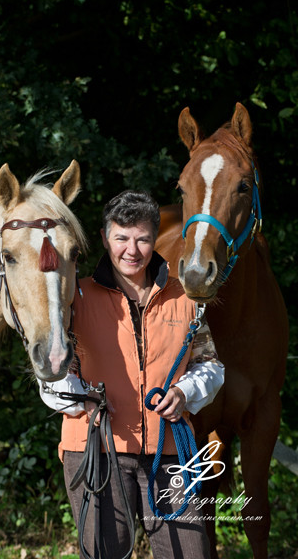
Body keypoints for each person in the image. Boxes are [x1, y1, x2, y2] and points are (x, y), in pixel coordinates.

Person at [39, 190, 224, 559]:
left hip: (171, 451)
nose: (132, 250)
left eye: (141, 239)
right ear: (106, 238)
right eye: (121, 237)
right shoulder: (76, 297)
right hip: (96, 450)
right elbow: (52, 371)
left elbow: (210, 365)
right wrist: (81, 398)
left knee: (190, 553)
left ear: (155, 240)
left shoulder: (185, 297)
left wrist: (185, 392)